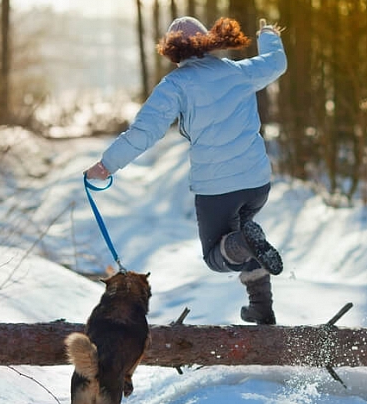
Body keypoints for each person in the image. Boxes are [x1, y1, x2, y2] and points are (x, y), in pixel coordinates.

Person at [85, 16, 287, 324]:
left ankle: (245, 243)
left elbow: (144, 132)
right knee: (240, 235)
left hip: (217, 190)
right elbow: (275, 63)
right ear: (208, 43)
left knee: (217, 255)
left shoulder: (175, 85)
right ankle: (261, 306)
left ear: (173, 51)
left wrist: (106, 165)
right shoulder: (239, 71)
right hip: (257, 183)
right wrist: (269, 35)